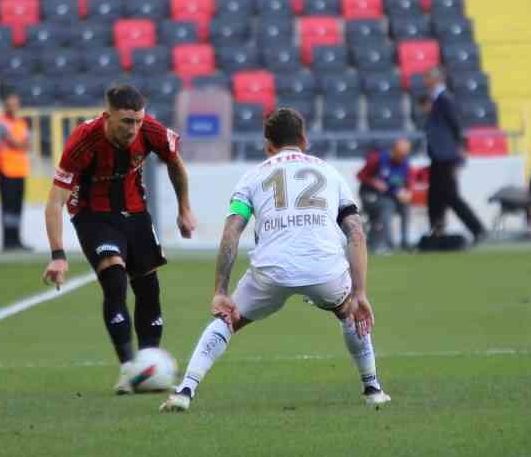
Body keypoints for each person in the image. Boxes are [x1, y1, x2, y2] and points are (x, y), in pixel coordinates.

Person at [161, 107, 385, 412]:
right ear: (304, 139)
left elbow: (231, 232)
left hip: (271, 271)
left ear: (268, 144)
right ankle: (372, 387)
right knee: (349, 311)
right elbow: (356, 232)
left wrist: (220, 292)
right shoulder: (330, 173)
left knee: (228, 319)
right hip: (325, 270)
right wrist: (359, 293)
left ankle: (185, 390)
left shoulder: (253, 176)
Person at [42, 83, 197, 390]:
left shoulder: (150, 131)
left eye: (138, 121)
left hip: (135, 212)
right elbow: (55, 201)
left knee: (148, 288)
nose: (134, 129)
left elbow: (176, 165)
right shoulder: (83, 141)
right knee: (114, 278)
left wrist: (184, 209)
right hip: (92, 215)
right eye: (127, 122)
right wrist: (58, 256)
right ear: (107, 116)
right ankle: (128, 367)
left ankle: (149, 362)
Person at [423, 68, 486, 243]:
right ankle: (437, 230)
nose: (424, 80)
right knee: (435, 194)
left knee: (449, 194)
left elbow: (456, 125)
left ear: (436, 79)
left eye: (427, 77)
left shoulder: (445, 99)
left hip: (445, 155)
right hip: (438, 154)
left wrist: (461, 148)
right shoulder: (437, 99)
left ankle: (477, 228)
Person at [357, 136, 413, 253]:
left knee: (406, 209)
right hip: (373, 196)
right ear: (393, 151)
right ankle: (390, 244)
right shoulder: (378, 159)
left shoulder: (405, 164)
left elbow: (409, 184)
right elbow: (361, 175)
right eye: (400, 154)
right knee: (387, 207)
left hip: (393, 196)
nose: (402, 158)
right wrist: (374, 182)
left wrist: (407, 193)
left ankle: (405, 242)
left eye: (405, 155)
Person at [0, 91, 30, 250]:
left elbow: (28, 145)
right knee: (7, 207)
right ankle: (8, 241)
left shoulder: (22, 123)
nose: (12, 107)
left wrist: (21, 144)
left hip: (20, 170)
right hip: (6, 170)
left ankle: (16, 239)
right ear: (5, 106)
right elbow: (16, 143)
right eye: (9, 105)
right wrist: (21, 144)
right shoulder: (1, 123)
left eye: (15, 104)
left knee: (17, 207)